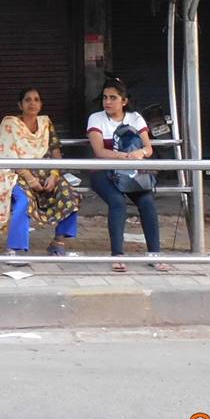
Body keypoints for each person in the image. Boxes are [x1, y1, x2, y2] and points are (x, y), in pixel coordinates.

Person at [86, 77, 170, 273]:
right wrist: (123, 156)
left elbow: (148, 148)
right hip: (103, 171)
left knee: (147, 202)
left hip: (132, 172)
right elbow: (99, 151)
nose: (107, 102)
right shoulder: (96, 118)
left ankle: (154, 255)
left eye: (113, 98)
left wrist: (139, 153)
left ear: (124, 101)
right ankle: (117, 255)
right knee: (117, 202)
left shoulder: (135, 118)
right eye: (105, 97)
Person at [0, 86, 78, 259]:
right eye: (28, 100)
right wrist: (30, 179)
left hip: (46, 175)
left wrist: (54, 175)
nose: (32, 103)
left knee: (70, 195)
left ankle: (58, 242)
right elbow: (8, 156)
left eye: (36, 100)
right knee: (24, 201)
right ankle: (15, 249)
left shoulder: (45, 123)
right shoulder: (10, 124)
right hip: (16, 175)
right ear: (20, 105)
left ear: (41, 104)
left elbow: (55, 151)